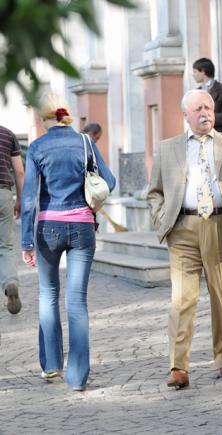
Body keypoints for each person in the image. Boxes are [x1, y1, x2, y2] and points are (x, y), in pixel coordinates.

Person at [147, 89, 222, 389]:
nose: (205, 114)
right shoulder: (168, 148)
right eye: (198, 109)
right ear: (185, 114)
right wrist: (161, 219)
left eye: (209, 108)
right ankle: (178, 366)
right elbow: (154, 192)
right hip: (182, 228)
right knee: (182, 300)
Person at [21, 93, 116, 391]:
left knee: (48, 295)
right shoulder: (86, 142)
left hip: (49, 226)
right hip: (82, 228)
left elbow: (28, 201)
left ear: (43, 118)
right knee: (77, 302)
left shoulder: (36, 147)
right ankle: (77, 378)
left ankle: (51, 366)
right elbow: (109, 181)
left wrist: (26, 241)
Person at [0, 125, 24, 314]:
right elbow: (19, 171)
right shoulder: (8, 134)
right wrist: (21, 199)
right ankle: (10, 282)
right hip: (3, 193)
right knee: (5, 246)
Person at [193, 58, 222, 133]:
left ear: (203, 71)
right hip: (199, 137)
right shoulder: (195, 92)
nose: (193, 75)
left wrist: (207, 118)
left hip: (218, 137)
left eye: (195, 71)